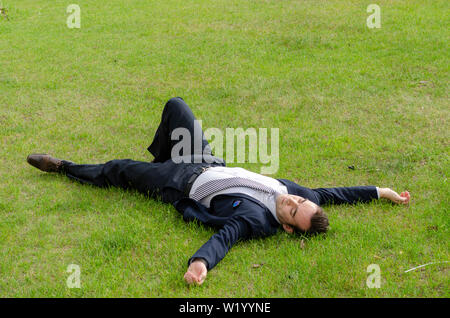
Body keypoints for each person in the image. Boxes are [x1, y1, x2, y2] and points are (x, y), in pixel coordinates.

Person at [26, 97, 410, 285]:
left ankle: (63, 167)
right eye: (300, 201)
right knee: (177, 107)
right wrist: (381, 191)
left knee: (117, 170)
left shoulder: (255, 220)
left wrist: (200, 264)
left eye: (294, 211)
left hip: (180, 183)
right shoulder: (297, 192)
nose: (294, 201)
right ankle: (160, 159)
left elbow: (225, 237)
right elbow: (336, 193)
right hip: (204, 159)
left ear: (289, 227)